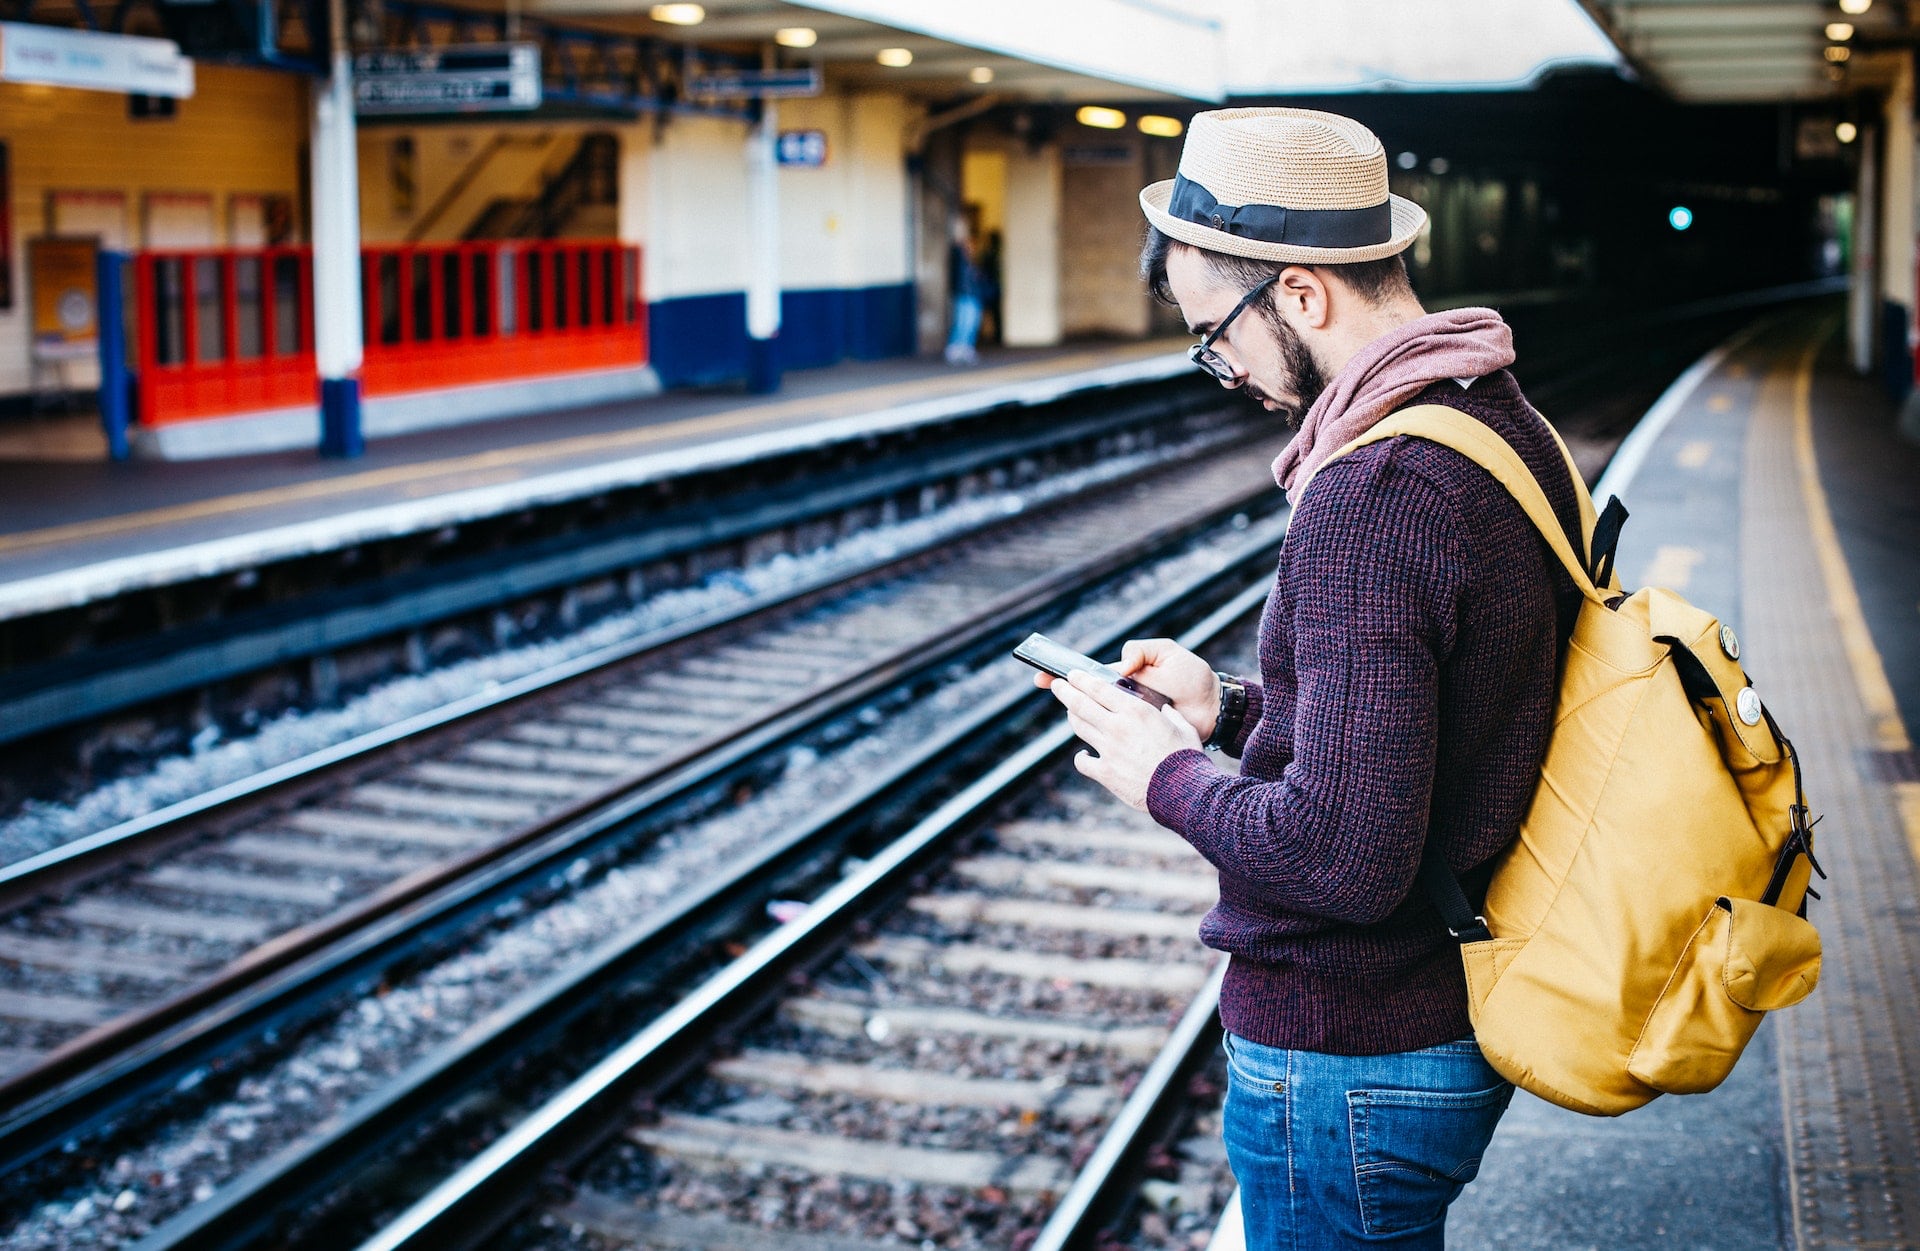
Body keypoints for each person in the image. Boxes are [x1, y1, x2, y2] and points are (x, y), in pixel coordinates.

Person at [1036, 107, 1585, 1247]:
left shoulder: (1371, 494)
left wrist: (1163, 773)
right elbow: (1446, 717)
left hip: (1351, 1049)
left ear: (1299, 292)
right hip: (1433, 1015)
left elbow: (1340, 856)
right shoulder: (1498, 420)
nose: (1218, 368)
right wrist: (1228, 708)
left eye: (1213, 333)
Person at [945, 218, 983, 365]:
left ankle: (965, 347)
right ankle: (956, 348)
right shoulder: (957, 251)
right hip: (964, 291)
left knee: (971, 320)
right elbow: (958, 274)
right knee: (963, 321)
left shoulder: (966, 253)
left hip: (972, 291)